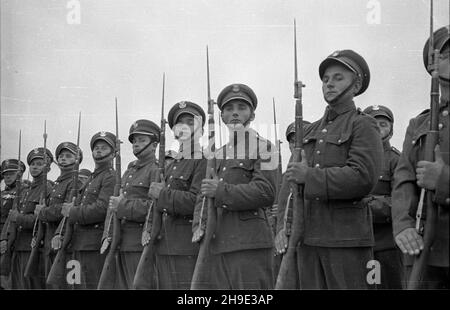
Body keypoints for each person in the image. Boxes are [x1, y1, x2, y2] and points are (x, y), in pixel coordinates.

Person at [284, 50, 383, 289]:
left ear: (356, 84)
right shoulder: (308, 131)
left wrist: (309, 176)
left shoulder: (363, 124)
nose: (329, 83)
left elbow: (363, 177)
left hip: (347, 240)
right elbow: (288, 186)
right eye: (326, 79)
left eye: (338, 78)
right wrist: (284, 228)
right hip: (307, 238)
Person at [192, 83, 278, 289]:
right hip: (217, 243)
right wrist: (198, 225)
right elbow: (203, 195)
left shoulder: (266, 148)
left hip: (249, 244)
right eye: (229, 109)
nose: (235, 113)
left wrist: (220, 191)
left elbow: (266, 192)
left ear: (252, 115)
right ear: (222, 117)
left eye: (241, 108)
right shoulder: (216, 154)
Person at [392, 25, 449, 289]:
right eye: (447, 53)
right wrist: (403, 224)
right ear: (432, 63)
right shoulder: (419, 123)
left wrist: (444, 180)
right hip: (425, 246)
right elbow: (403, 179)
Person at [148, 101, 207, 289]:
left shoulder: (204, 160)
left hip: (187, 244)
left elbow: (197, 202)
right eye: (180, 124)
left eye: (191, 122)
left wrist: (162, 195)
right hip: (165, 242)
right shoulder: (170, 165)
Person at [107, 120, 160, 289]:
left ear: (154, 144)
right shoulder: (129, 170)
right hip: (122, 240)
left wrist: (122, 206)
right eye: (134, 140)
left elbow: (154, 207)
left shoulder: (156, 169)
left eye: (142, 140)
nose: (136, 144)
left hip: (141, 243)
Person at [63, 131, 116, 289]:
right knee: (76, 285)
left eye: (104, 148)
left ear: (113, 153)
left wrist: (72, 212)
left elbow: (102, 208)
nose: (98, 151)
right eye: (96, 147)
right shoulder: (92, 178)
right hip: (77, 243)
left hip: (93, 245)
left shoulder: (110, 177)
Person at [362, 105, 403, 289]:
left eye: (383, 124)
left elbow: (401, 203)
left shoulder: (396, 160)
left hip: (384, 246)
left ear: (391, 131)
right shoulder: (352, 158)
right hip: (354, 244)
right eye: (373, 123)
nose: (378, 128)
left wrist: (365, 205)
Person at [37, 142, 83, 289]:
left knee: (65, 284)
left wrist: (43, 212)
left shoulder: (76, 182)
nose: (63, 158)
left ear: (77, 160)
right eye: (61, 156)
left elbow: (65, 210)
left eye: (68, 156)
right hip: (50, 240)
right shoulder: (57, 183)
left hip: (64, 241)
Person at [9, 148, 54, 289]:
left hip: (33, 248)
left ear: (48, 167)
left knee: (32, 286)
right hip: (18, 245)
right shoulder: (24, 191)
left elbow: (40, 219)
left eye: (40, 164)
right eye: (33, 164)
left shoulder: (48, 188)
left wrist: (18, 218)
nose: (34, 167)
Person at [0, 159, 26, 289]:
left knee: (7, 277)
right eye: (5, 174)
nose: (7, 176)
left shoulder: (23, 191)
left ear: (19, 174)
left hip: (10, 236)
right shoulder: (2, 193)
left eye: (11, 173)